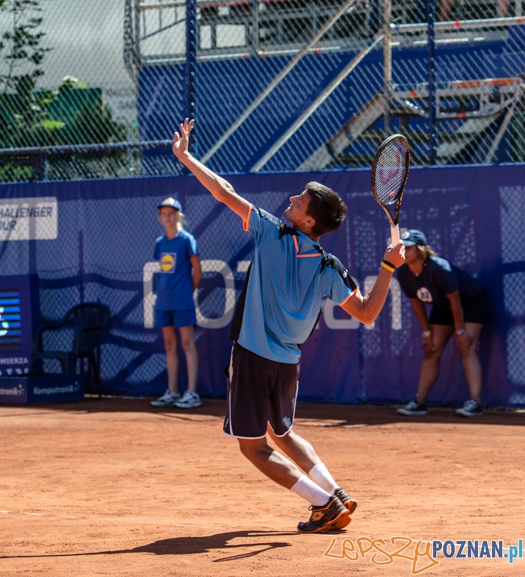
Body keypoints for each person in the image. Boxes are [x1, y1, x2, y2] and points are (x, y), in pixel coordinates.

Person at [172, 117, 405, 533]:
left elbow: (223, 192)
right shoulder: (329, 266)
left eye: (301, 200)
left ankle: (322, 504)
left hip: (252, 356)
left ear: (309, 221)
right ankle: (335, 491)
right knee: (282, 434)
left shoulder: (272, 232)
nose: (293, 198)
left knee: (253, 448)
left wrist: (186, 157)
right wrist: (388, 266)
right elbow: (368, 312)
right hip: (286, 365)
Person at [395, 229, 490, 419]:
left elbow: (455, 300)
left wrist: (460, 331)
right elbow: (417, 303)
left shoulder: (438, 268)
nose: (403, 252)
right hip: (444, 306)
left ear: (420, 249)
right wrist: (426, 332)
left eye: (408, 247)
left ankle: (475, 403)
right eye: (401, 248)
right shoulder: (404, 273)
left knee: (465, 347)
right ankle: (420, 403)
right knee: (432, 349)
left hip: (471, 302)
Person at [150, 197, 203, 409]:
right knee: (169, 345)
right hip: (163, 302)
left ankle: (192, 393)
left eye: (171, 214)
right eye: (164, 214)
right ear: (160, 217)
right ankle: (172, 392)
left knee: (187, 344)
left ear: (178, 216)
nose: (167, 217)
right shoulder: (159, 243)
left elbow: (198, 271)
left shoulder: (187, 240)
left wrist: (187, 292)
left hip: (183, 301)